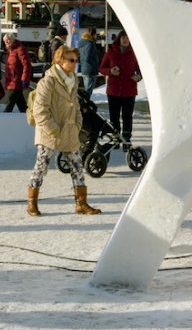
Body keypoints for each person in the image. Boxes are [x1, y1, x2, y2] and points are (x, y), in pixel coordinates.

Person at [27, 45, 100, 217]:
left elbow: (76, 107)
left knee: (77, 166)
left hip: (69, 131)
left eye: (76, 60)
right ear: (60, 61)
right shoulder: (48, 81)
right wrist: (53, 129)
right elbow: (40, 110)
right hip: (49, 133)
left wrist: (77, 125)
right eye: (71, 60)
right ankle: (32, 203)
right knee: (41, 167)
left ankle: (81, 204)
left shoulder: (72, 81)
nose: (75, 63)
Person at [99, 30, 141, 149]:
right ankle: (116, 138)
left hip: (129, 90)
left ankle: (126, 138)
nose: (125, 40)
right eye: (123, 37)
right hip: (113, 90)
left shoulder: (134, 53)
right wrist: (110, 72)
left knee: (127, 115)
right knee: (114, 116)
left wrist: (138, 77)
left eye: (127, 38)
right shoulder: (111, 52)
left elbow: (142, 69)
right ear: (119, 39)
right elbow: (102, 68)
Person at [2, 34, 32, 113]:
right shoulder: (10, 51)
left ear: (13, 39)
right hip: (11, 80)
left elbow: (27, 64)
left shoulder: (20, 49)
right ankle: (27, 118)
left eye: (8, 40)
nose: (6, 42)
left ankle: (3, 119)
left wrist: (25, 79)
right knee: (21, 104)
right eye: (5, 41)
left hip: (17, 80)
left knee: (10, 102)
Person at [78, 28, 101, 100]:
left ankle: (84, 105)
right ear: (94, 35)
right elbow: (88, 58)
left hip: (84, 70)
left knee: (86, 90)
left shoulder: (82, 43)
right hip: (90, 71)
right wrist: (95, 67)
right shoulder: (90, 44)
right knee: (88, 92)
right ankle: (84, 106)